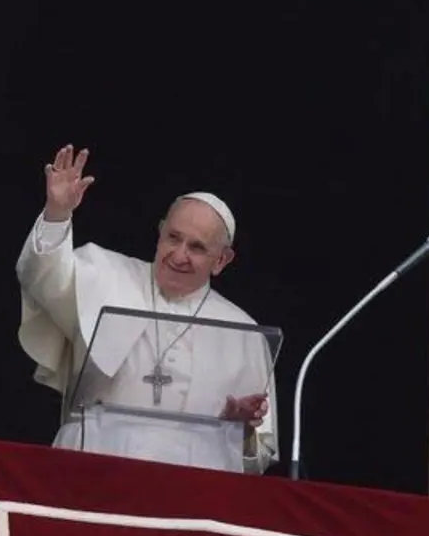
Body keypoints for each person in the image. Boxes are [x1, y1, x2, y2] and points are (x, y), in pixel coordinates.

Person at [15, 144, 278, 474]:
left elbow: (260, 454)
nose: (179, 255)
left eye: (196, 247)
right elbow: (42, 278)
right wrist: (57, 214)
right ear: (160, 232)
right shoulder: (107, 273)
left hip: (193, 485)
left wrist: (239, 429)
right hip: (94, 465)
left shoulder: (245, 333)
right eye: (173, 238)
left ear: (222, 260)